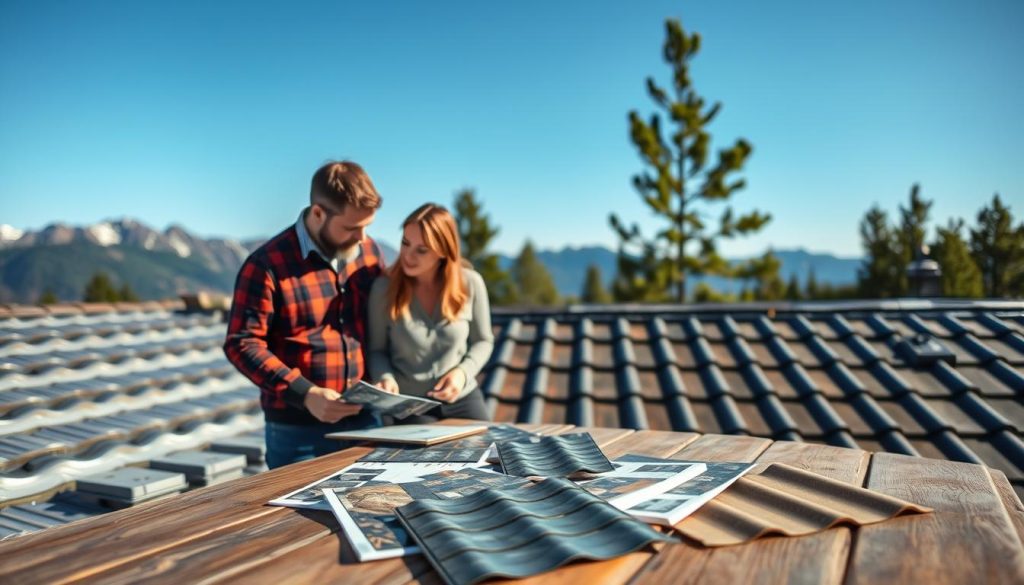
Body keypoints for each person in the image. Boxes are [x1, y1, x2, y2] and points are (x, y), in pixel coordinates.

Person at [224, 160, 389, 469]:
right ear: (317, 213)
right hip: (296, 431)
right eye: (352, 228)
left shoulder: (369, 253)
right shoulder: (266, 265)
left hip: (365, 420)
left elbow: (382, 323)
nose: (363, 239)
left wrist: (385, 376)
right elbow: (242, 344)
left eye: (368, 227)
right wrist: (305, 393)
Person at [367, 203, 493, 423]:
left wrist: (462, 374)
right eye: (405, 243)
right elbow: (376, 350)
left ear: (444, 251)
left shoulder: (471, 283)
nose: (408, 255)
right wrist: (385, 377)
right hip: (410, 405)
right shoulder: (383, 288)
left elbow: (484, 341)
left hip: (463, 398)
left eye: (421, 250)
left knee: (493, 452)